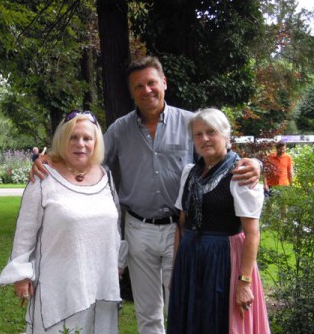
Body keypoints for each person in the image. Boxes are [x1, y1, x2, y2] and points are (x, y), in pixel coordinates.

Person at [32, 56, 261, 333]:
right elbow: (89, 158)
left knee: (181, 304)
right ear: (132, 93)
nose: (146, 90)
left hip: (181, 232)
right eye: (138, 86)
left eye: (152, 83)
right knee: (148, 312)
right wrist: (53, 159)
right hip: (138, 228)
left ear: (164, 83)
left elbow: (217, 154)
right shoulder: (119, 129)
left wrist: (254, 164)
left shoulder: (191, 124)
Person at [0, 111, 124, 334]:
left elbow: (114, 226)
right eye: (73, 137)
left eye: (87, 138)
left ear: (96, 143)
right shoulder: (43, 177)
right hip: (57, 284)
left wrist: (116, 264)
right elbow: (25, 231)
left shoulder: (106, 177)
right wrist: (21, 275)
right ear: (62, 141)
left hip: (100, 282)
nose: (81, 144)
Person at [168, 109, 269, 333]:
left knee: (218, 323)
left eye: (211, 132)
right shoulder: (190, 173)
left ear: (226, 135)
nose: (204, 139)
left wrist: (244, 282)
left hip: (223, 260)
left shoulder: (241, 174)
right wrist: (177, 269)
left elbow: (252, 233)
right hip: (190, 259)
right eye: (198, 134)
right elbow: (182, 224)